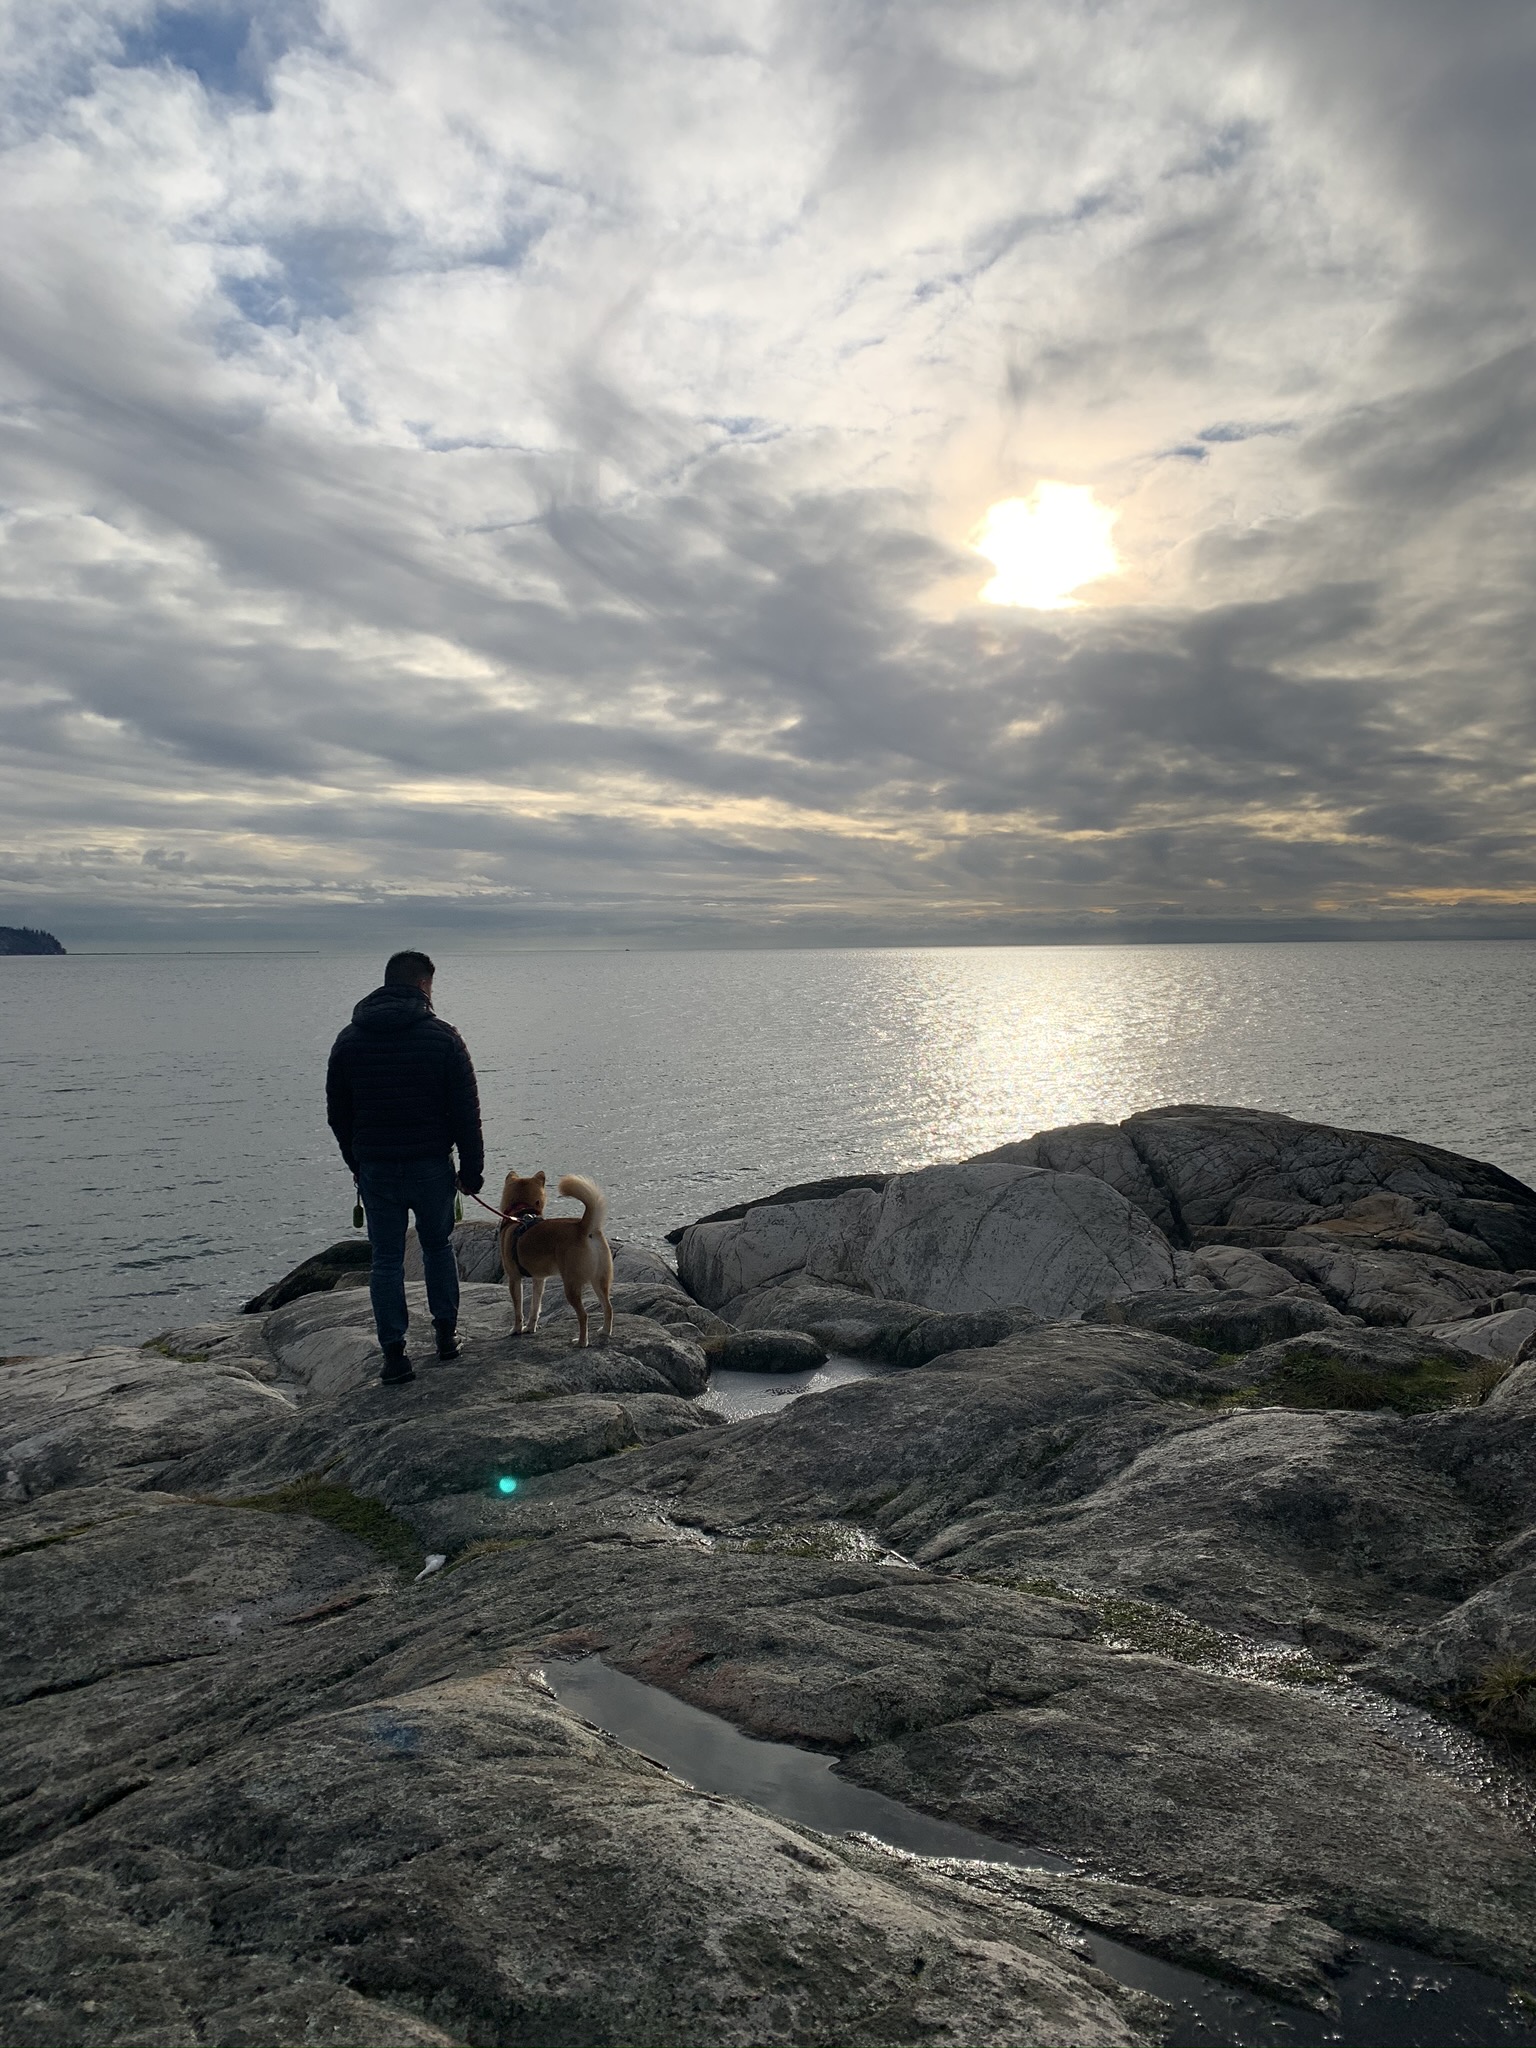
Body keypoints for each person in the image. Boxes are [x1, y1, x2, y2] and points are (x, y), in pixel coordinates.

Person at [325, 950, 485, 1385]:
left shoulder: (349, 1040)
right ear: (423, 986)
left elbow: (338, 1113)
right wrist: (472, 1174)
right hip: (432, 1166)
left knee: (386, 1260)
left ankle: (394, 1355)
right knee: (437, 1249)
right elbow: (466, 1114)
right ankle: (446, 1337)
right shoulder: (444, 1038)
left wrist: (355, 1161)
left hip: (376, 1169)